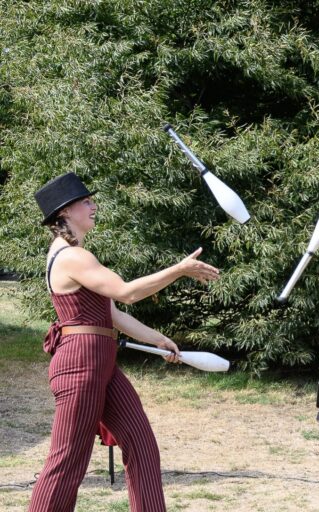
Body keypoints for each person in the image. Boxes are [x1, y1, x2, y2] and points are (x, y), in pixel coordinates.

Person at [29, 172, 220, 512]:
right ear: (64, 213)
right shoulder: (72, 257)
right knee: (68, 460)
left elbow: (113, 314)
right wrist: (178, 269)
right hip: (79, 365)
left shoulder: (78, 254)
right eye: (86, 202)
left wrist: (158, 339)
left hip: (100, 362)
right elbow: (127, 292)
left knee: (141, 443)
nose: (94, 206)